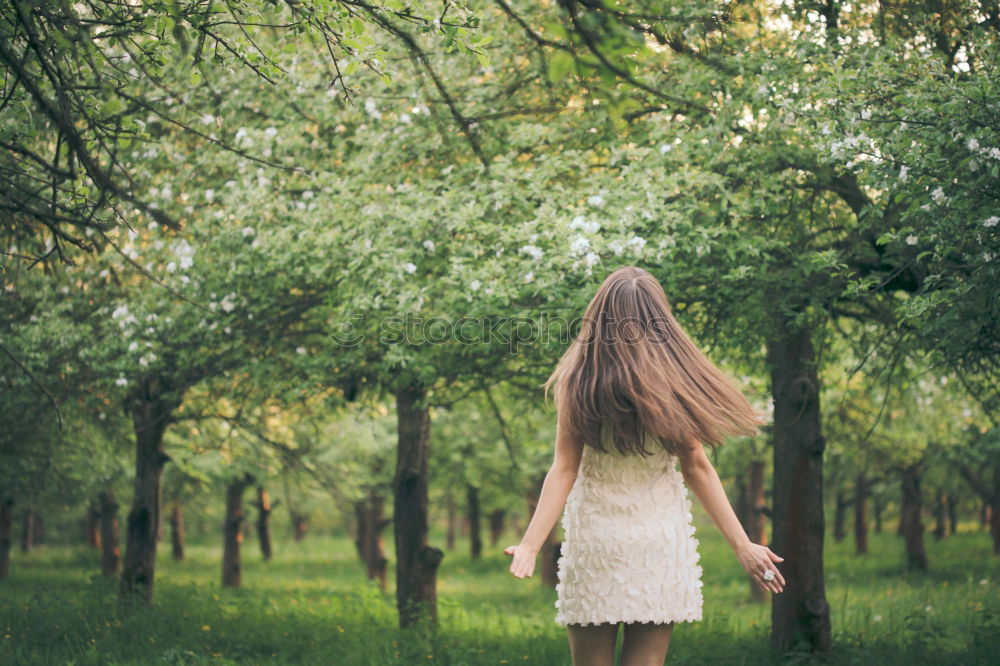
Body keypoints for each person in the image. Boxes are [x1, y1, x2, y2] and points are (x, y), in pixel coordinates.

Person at [504, 266, 784, 666]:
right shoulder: (673, 383)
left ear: (598, 319)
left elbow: (563, 469)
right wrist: (743, 546)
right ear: (660, 321)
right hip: (657, 539)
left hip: (597, 538)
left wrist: (531, 545)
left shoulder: (577, 381)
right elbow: (697, 466)